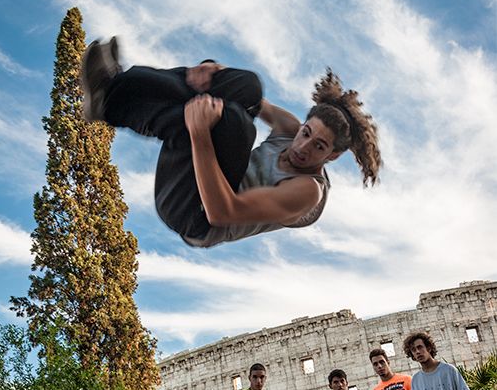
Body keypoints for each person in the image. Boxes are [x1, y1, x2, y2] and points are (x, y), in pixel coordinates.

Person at [81, 38, 382, 247]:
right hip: (204, 178)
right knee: (247, 85)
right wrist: (212, 71)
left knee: (235, 123)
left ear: (333, 156)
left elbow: (223, 213)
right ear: (302, 125)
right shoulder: (290, 129)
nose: (304, 147)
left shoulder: (307, 192)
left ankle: (110, 103)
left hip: (196, 216)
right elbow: (250, 96)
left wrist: (199, 134)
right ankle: (113, 88)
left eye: (319, 147)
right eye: (306, 134)